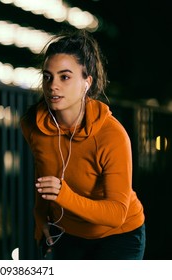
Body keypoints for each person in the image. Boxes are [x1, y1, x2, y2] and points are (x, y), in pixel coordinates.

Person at [20, 29, 146, 260]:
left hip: (119, 236)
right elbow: (44, 174)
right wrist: (40, 218)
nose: (53, 86)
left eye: (65, 77)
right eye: (48, 77)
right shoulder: (33, 125)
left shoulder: (111, 135)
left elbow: (117, 213)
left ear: (86, 82)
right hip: (69, 233)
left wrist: (64, 196)